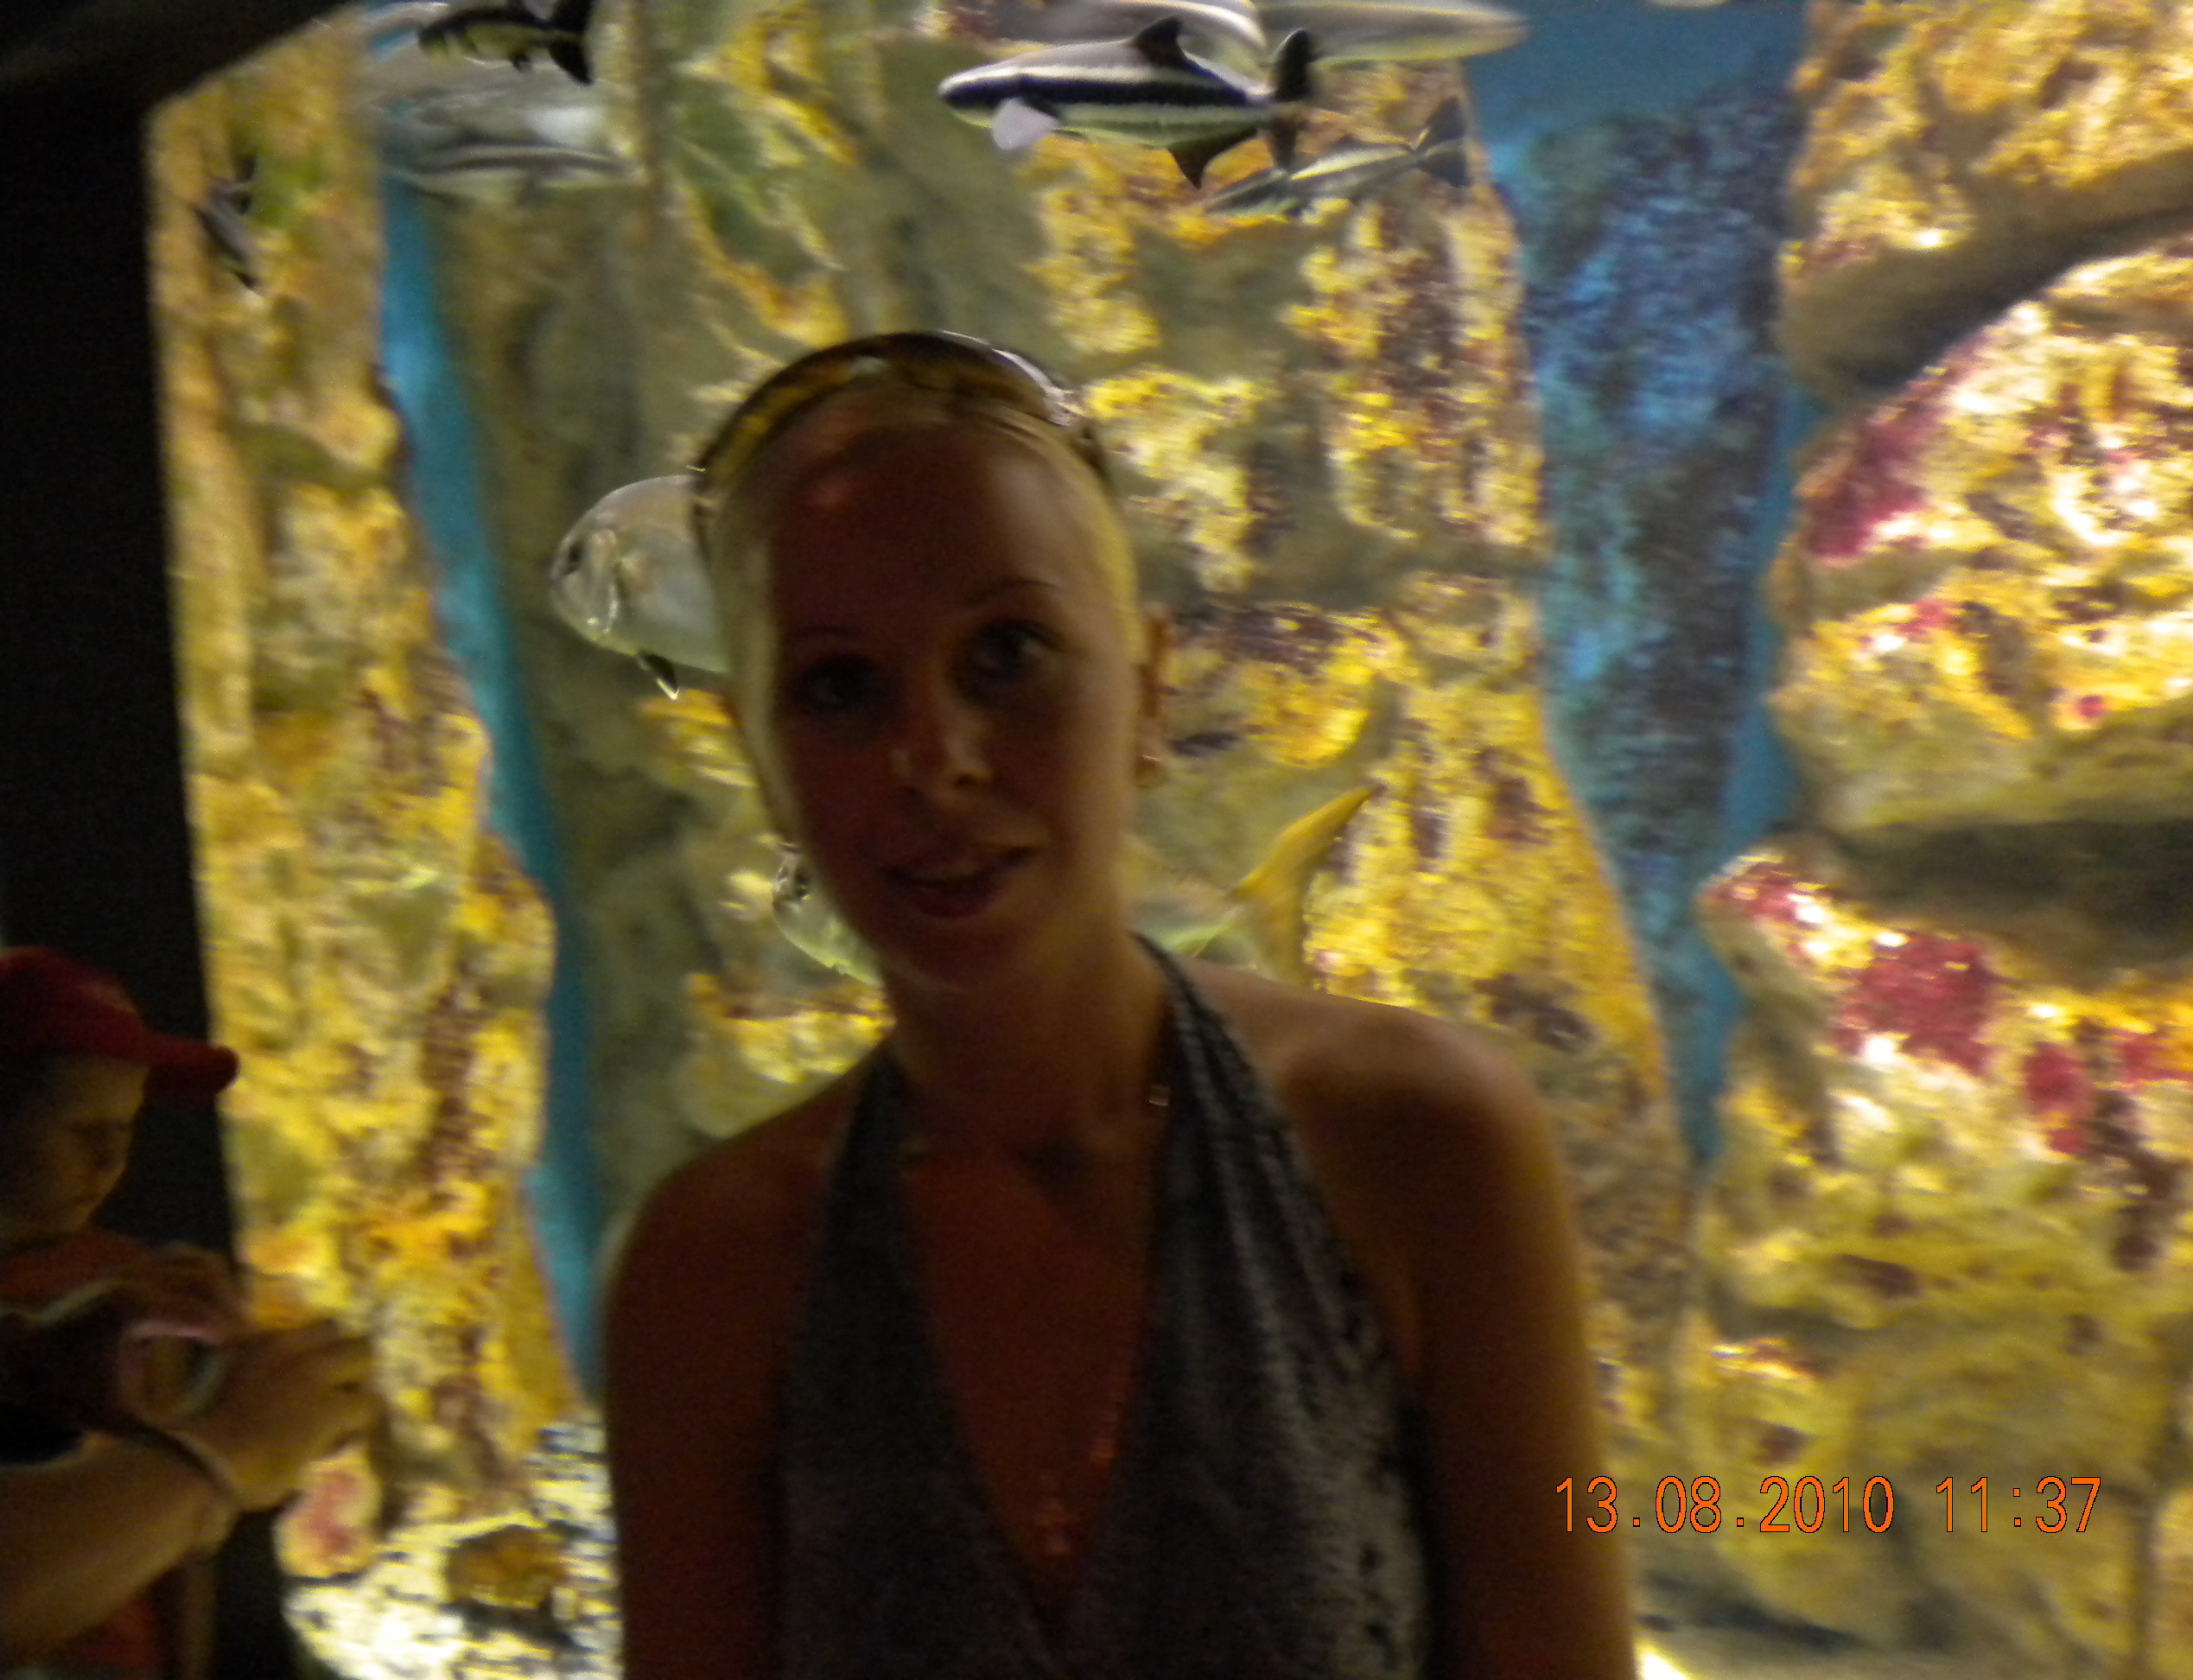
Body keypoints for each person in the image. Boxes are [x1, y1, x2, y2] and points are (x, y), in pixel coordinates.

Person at [603, 332, 1637, 1678]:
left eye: (1008, 654)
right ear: (761, 759)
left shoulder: (1422, 1142)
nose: (936, 756)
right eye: (840, 687)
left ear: (1148, 693)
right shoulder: (708, 1273)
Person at [0, 946, 377, 1678]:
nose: (111, 1160)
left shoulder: (128, 1281)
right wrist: (222, 1453)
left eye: (127, 1128)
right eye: (82, 1129)